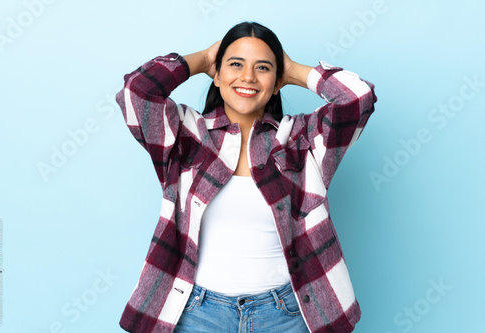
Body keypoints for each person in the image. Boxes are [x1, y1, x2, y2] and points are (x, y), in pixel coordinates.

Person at [116, 21, 376, 333]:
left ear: (277, 80)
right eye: (235, 64)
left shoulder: (302, 139)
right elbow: (137, 91)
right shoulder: (185, 134)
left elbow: (357, 98)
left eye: (263, 68)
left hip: (287, 315)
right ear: (217, 73)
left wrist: (291, 69)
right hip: (197, 314)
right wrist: (201, 60)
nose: (248, 77)